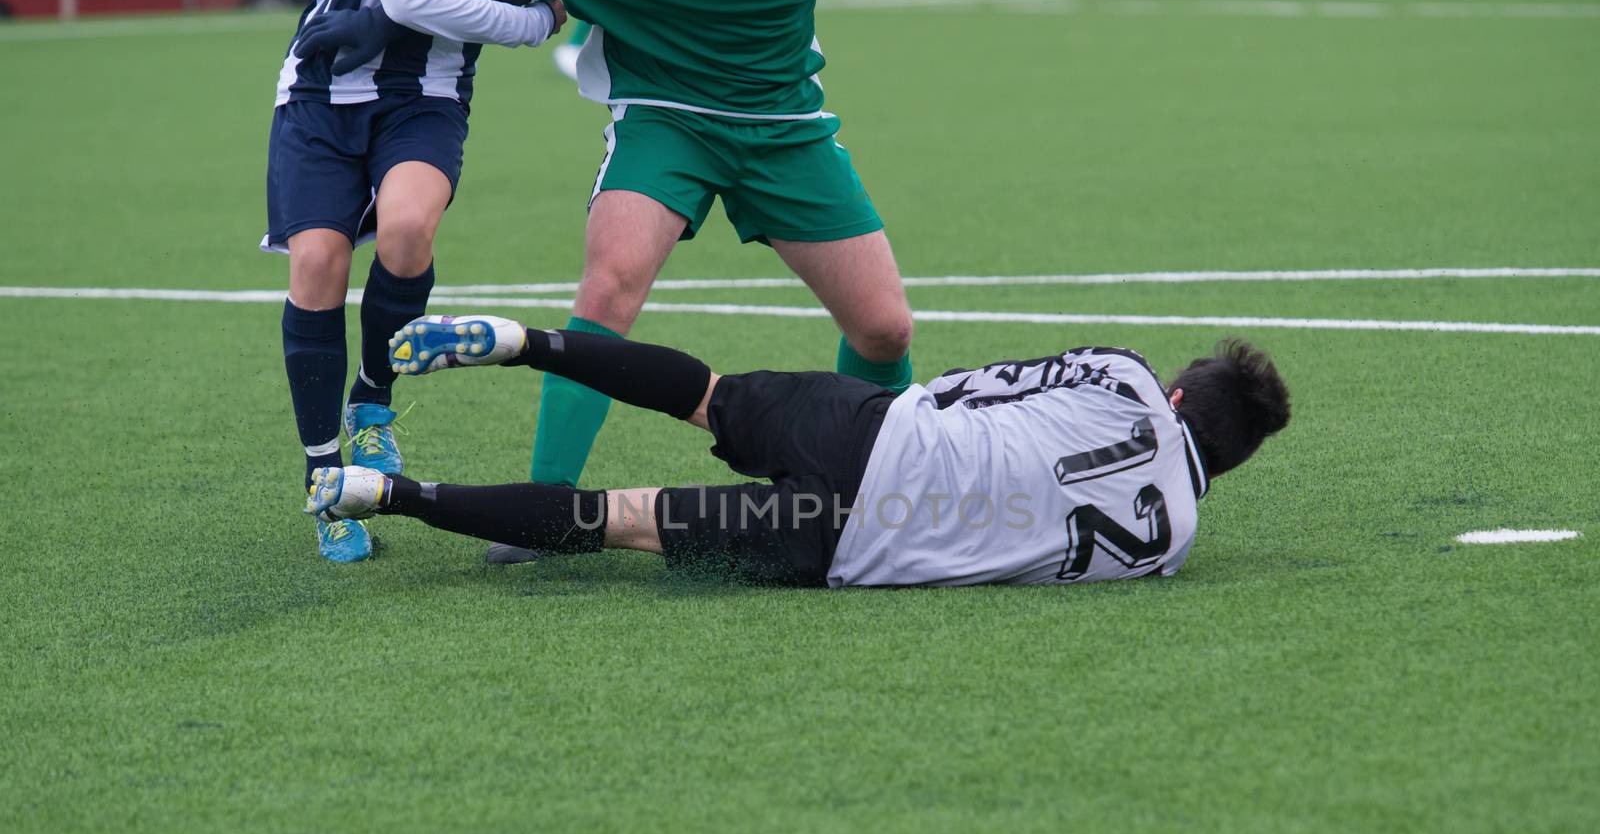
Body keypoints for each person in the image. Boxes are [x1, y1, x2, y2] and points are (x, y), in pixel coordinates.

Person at [426, 0, 918, 565]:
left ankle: (885, 476)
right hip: (665, 118)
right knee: (609, 287)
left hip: (784, 127)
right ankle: (547, 508)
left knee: (884, 329)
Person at [306, 316, 1291, 587]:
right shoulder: (1175, 545)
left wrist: (893, 416)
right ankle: (390, 494)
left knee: (705, 395)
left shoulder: (1122, 375)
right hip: (858, 548)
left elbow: (973, 386)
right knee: (614, 520)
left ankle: (527, 344)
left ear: (1174, 392)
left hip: (877, 432)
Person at [264, 0, 563, 560]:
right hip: (324, 88)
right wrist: (534, 25)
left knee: (407, 228)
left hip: (429, 91)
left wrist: (545, 19)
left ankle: (372, 398)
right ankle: (324, 478)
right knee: (319, 262)